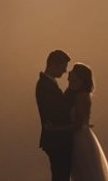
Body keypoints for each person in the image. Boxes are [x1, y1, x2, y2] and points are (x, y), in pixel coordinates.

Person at [66, 63, 108, 181]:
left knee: (84, 171)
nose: (69, 72)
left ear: (79, 77)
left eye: (73, 71)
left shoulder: (81, 96)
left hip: (79, 139)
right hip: (77, 136)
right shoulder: (75, 93)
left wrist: (59, 129)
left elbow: (79, 122)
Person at [35, 49, 73, 181]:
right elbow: (57, 113)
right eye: (63, 66)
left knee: (60, 175)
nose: (64, 71)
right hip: (56, 140)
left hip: (56, 139)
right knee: (60, 175)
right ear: (54, 65)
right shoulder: (45, 86)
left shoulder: (47, 83)